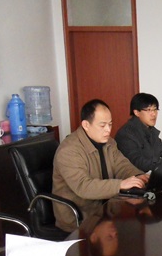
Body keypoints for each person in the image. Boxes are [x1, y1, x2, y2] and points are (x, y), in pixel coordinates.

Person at [52, 99, 148, 232]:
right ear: (86, 125)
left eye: (110, 124)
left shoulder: (109, 142)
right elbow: (83, 186)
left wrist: (139, 176)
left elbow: (121, 165)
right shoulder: (69, 150)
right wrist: (120, 184)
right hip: (80, 217)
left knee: (140, 221)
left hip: (105, 209)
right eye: (102, 125)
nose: (108, 130)